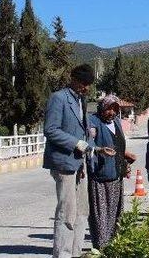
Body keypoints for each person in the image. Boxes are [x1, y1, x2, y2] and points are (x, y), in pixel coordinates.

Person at [43, 64, 112, 258]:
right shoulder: (58, 98)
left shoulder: (82, 100)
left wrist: (96, 148)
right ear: (73, 79)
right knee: (67, 213)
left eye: (88, 84)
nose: (86, 87)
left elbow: (85, 133)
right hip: (64, 163)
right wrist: (76, 143)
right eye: (83, 83)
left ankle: (75, 253)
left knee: (82, 211)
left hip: (81, 163)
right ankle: (62, 255)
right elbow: (51, 130)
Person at [87, 94, 135, 249]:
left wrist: (126, 161)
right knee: (101, 215)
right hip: (100, 176)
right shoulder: (94, 122)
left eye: (115, 109)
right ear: (102, 107)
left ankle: (113, 246)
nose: (112, 112)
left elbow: (119, 146)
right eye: (109, 108)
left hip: (116, 174)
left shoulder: (116, 122)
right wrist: (99, 150)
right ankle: (101, 247)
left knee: (115, 213)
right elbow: (89, 143)